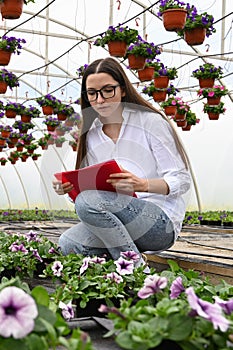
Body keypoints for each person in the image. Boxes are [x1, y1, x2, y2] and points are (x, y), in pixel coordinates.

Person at [53, 57, 191, 268]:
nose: (100, 100)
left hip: (159, 222)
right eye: (92, 93)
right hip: (119, 218)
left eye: (108, 90)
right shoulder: (91, 135)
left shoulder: (150, 122)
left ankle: (134, 269)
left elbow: (182, 180)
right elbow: (92, 196)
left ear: (123, 89)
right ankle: (123, 261)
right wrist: (71, 188)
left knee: (87, 202)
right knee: (68, 243)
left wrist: (142, 184)